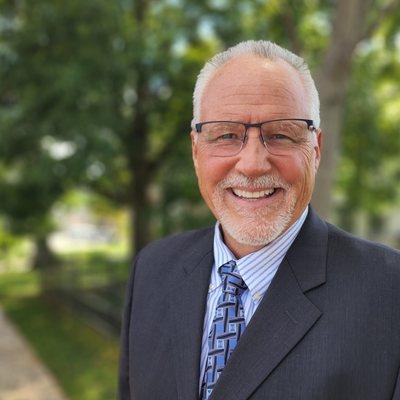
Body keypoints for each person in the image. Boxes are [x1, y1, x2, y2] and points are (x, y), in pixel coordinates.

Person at [118, 40, 400, 400]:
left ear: (315, 150)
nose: (252, 164)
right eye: (226, 135)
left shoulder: (390, 294)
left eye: (280, 134)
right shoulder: (152, 269)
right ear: (196, 150)